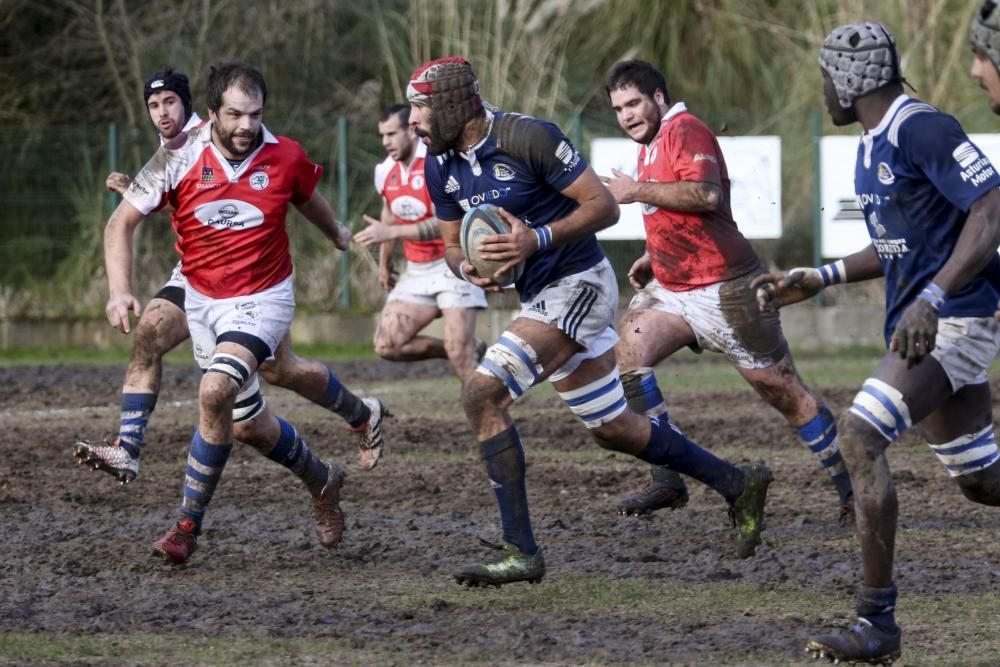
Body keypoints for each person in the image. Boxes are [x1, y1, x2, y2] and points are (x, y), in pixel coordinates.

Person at [408, 57, 773, 588]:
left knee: (482, 394)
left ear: (452, 107)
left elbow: (604, 207)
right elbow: (447, 243)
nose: (414, 121)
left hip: (579, 283)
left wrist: (535, 239)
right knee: (614, 429)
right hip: (539, 295)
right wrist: (468, 266)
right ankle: (738, 483)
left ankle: (521, 552)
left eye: (420, 109)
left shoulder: (527, 136)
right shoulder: (439, 162)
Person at [753, 22, 1000, 663]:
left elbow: (992, 207)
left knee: (860, 439)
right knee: (982, 481)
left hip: (957, 320)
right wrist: (821, 276)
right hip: (929, 322)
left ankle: (876, 624)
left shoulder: (922, 128)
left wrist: (934, 297)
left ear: (851, 77)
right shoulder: (871, 146)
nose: (825, 92)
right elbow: (895, 247)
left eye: (827, 78)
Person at [103, 62, 373, 563]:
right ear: (211, 115)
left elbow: (306, 198)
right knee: (247, 426)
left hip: (263, 299)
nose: (247, 125)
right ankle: (322, 478)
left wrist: (336, 230)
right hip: (204, 300)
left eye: (255, 114)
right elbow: (120, 225)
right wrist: (119, 290)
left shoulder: (284, 154)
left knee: (214, 390)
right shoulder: (177, 157)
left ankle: (185, 528)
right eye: (235, 115)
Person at [601, 60, 854, 523]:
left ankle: (853, 490)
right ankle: (667, 480)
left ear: (658, 98)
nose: (627, 115)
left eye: (634, 103)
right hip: (675, 290)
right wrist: (653, 255)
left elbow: (705, 196)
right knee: (629, 355)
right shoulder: (651, 141)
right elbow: (677, 213)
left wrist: (635, 190)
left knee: (786, 396)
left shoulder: (685, 128)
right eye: (619, 108)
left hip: (729, 289)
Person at [354, 104, 487, 381]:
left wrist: (391, 234)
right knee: (387, 345)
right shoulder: (384, 171)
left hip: (454, 264)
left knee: (461, 359)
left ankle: (489, 417)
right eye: (382, 135)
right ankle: (467, 347)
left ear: (412, 131)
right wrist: (384, 263)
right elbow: (388, 217)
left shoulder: (436, 164)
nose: (386, 142)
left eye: (392, 134)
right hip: (416, 270)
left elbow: (444, 224)